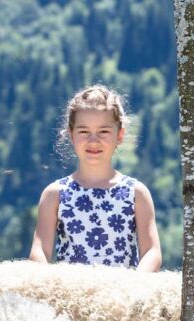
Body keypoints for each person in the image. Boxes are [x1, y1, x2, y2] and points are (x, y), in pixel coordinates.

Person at [29, 84, 162, 271]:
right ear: (71, 134)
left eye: (104, 132)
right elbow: (39, 250)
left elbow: (152, 252)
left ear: (120, 135)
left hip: (122, 296)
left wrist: (135, 286)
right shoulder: (55, 194)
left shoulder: (136, 193)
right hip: (70, 296)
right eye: (84, 131)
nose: (93, 141)